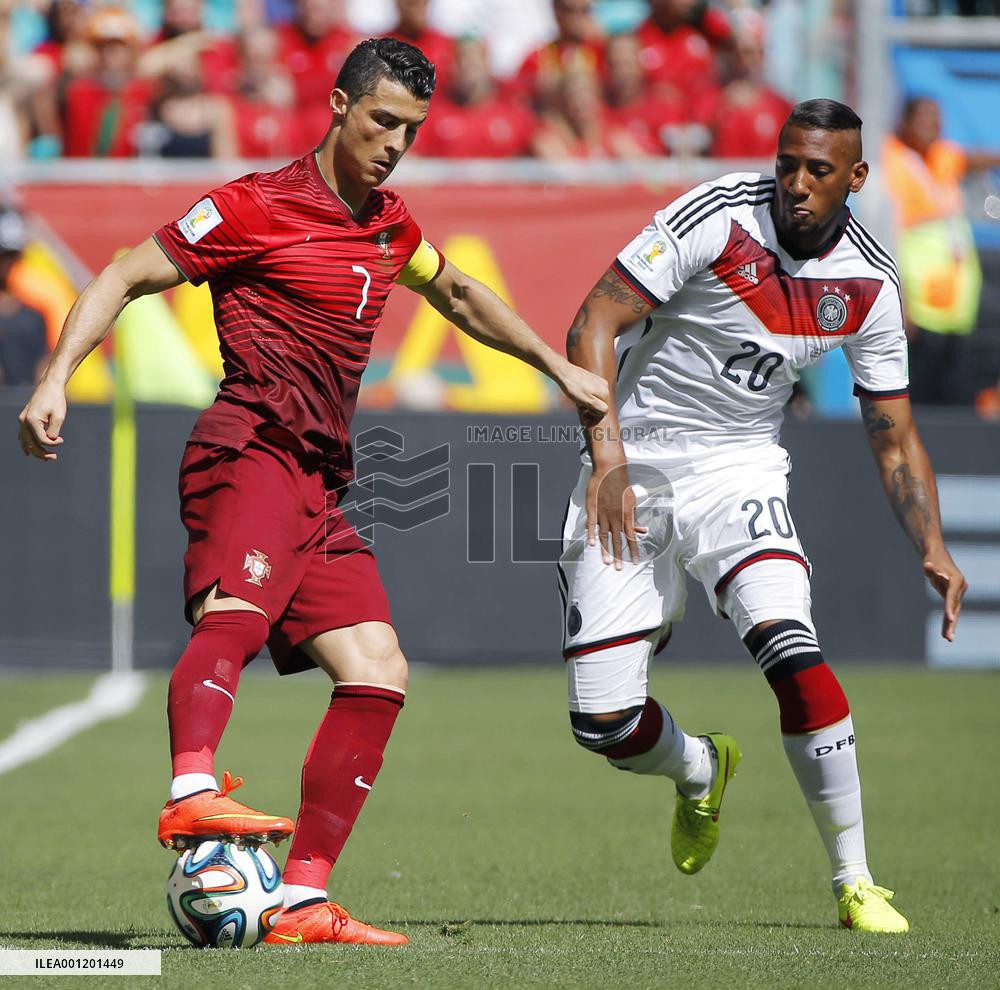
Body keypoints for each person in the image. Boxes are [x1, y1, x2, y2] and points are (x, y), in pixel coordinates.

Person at [19, 38, 609, 947]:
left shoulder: (390, 226)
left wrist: (555, 367)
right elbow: (125, 274)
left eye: (409, 129)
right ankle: (190, 791)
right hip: (251, 444)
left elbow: (456, 292)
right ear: (337, 105)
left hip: (322, 481)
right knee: (238, 616)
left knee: (379, 669)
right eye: (380, 121)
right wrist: (56, 377)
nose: (393, 143)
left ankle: (299, 899)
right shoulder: (254, 206)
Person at [557, 99, 967, 933]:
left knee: (789, 645)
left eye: (819, 170)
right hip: (631, 460)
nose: (796, 183)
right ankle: (702, 767)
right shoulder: (719, 216)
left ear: (855, 178)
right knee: (601, 722)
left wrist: (932, 543)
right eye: (787, 163)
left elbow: (894, 437)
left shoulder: (871, 284)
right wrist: (610, 463)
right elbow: (592, 319)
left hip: (739, 470)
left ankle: (855, 881)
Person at [882, 96, 1000, 406]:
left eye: (937, 118)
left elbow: (970, 160)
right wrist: (901, 300)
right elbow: (888, 237)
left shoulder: (941, 156)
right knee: (918, 395)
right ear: (905, 122)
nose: (935, 125)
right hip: (920, 309)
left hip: (953, 308)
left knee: (956, 395)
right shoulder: (892, 162)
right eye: (926, 118)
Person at [0, 209, 49, 387]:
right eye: (4, 256)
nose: (8, 263)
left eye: (12, 257)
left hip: (23, 406)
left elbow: (42, 362)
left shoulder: (33, 316)